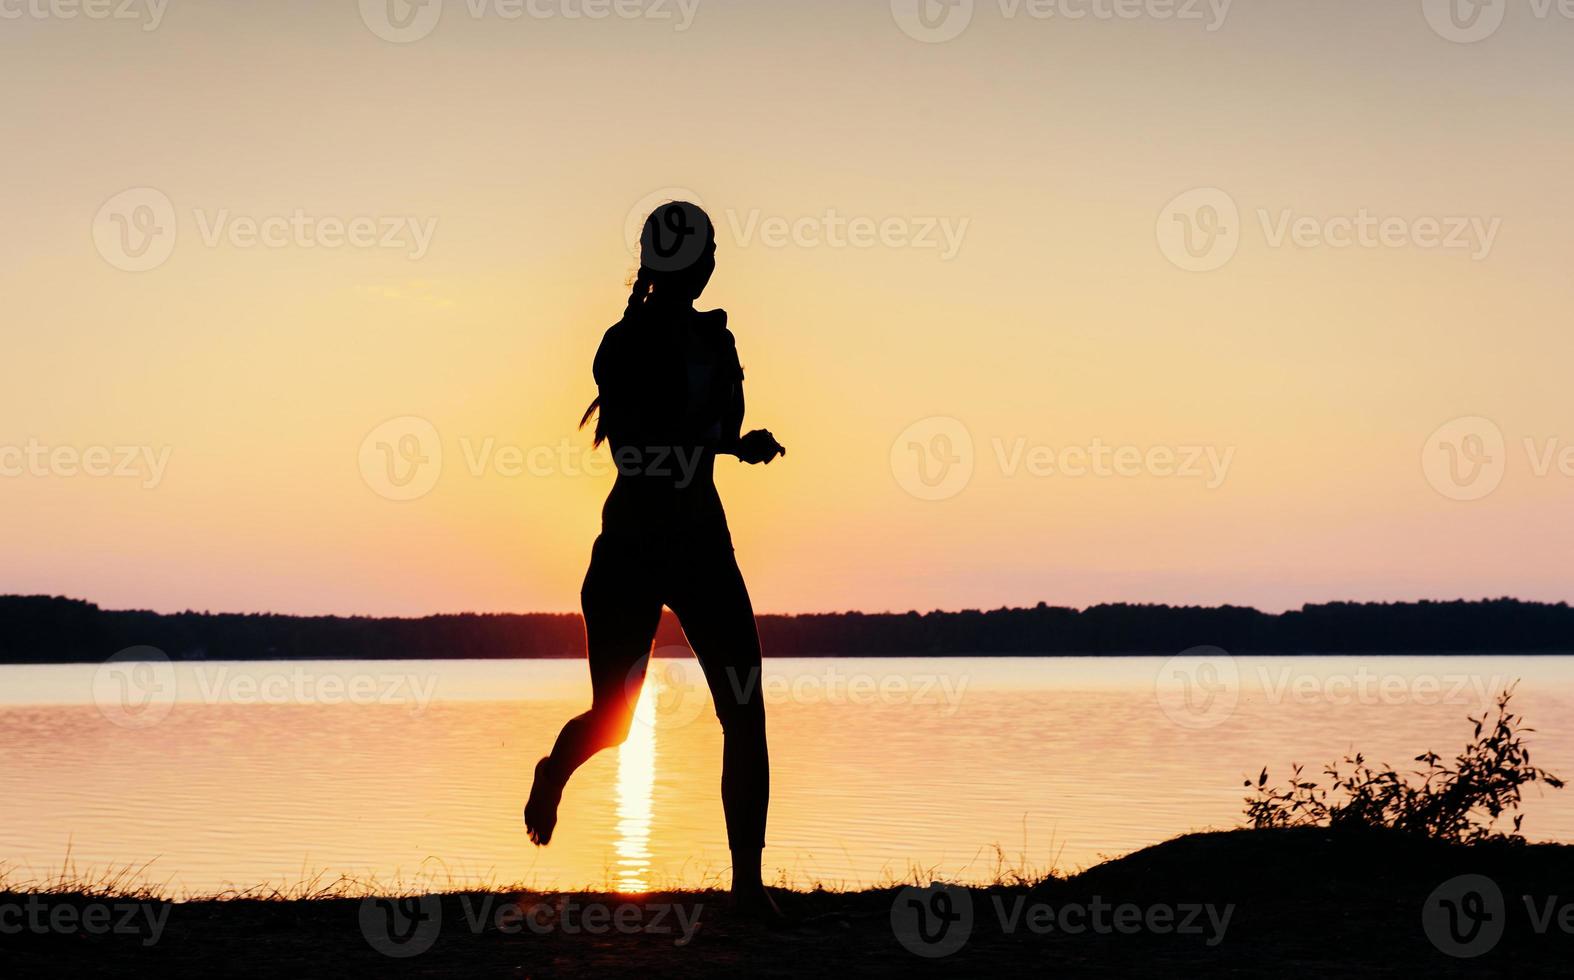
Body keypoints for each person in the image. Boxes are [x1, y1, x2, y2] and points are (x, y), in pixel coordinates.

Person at [524, 201, 786, 916]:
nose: (702, 270)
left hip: (703, 544)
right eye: (702, 258)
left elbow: (716, 426)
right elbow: (642, 451)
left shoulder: (715, 340)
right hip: (634, 549)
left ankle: (748, 886)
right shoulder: (624, 343)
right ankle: (555, 770)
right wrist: (734, 446)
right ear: (687, 265)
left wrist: (733, 435)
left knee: (745, 713)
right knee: (612, 723)